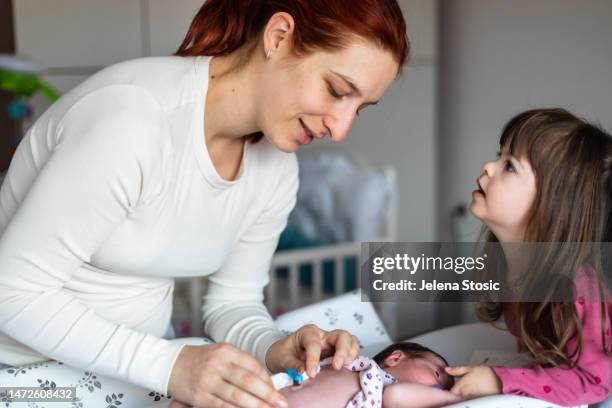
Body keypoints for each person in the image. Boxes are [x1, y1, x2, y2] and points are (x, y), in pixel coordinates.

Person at [0, 0, 410, 407]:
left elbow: (233, 303)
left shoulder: (277, 171)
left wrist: (278, 348)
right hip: (22, 376)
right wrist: (173, 366)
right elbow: (11, 291)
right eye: (337, 90)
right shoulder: (133, 122)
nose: (341, 129)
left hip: (127, 374)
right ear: (279, 37)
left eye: (359, 109)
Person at [446, 108, 612, 406]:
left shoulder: (577, 288)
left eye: (509, 165)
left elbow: (594, 381)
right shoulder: (509, 264)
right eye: (500, 155)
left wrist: (500, 380)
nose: (488, 165)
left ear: (552, 206)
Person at [278, 342, 460, 408]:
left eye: (445, 388)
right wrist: (453, 397)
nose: (439, 389)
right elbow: (395, 395)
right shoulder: (380, 379)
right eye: (437, 374)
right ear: (395, 359)